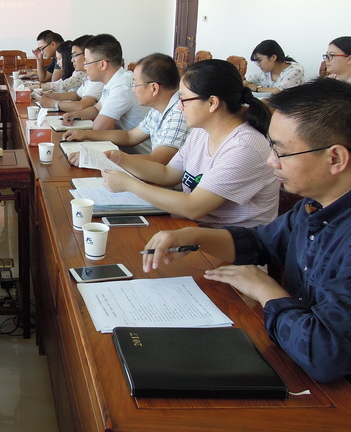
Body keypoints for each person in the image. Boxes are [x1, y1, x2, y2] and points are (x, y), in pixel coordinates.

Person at [142, 78, 351, 383]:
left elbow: (324, 355)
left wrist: (265, 290)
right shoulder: (314, 205)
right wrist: (194, 237)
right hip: (291, 352)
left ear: (335, 158)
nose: (270, 161)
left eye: (280, 151)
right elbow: (261, 242)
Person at [102, 59, 279, 228]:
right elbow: (168, 173)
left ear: (212, 102)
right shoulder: (202, 131)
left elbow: (193, 207)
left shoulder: (244, 147)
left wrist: (130, 185)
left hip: (228, 240)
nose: (179, 107)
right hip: (192, 227)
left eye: (184, 100)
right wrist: (121, 159)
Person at [63, 53, 189, 163]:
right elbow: (130, 136)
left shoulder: (179, 112)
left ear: (154, 88)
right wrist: (85, 134)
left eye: (135, 84)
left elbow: (157, 160)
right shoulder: (158, 108)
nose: (133, 89)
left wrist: (98, 158)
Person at [60, 34, 148, 132]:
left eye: (87, 63)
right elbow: (97, 109)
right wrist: (75, 115)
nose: (85, 67)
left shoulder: (123, 86)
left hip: (127, 142)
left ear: (102, 64)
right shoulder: (114, 80)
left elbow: (99, 128)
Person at [37, 34, 103, 113]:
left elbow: (82, 106)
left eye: (75, 55)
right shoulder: (88, 76)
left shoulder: (97, 79)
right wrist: (53, 95)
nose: (72, 60)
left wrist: (53, 103)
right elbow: (77, 95)